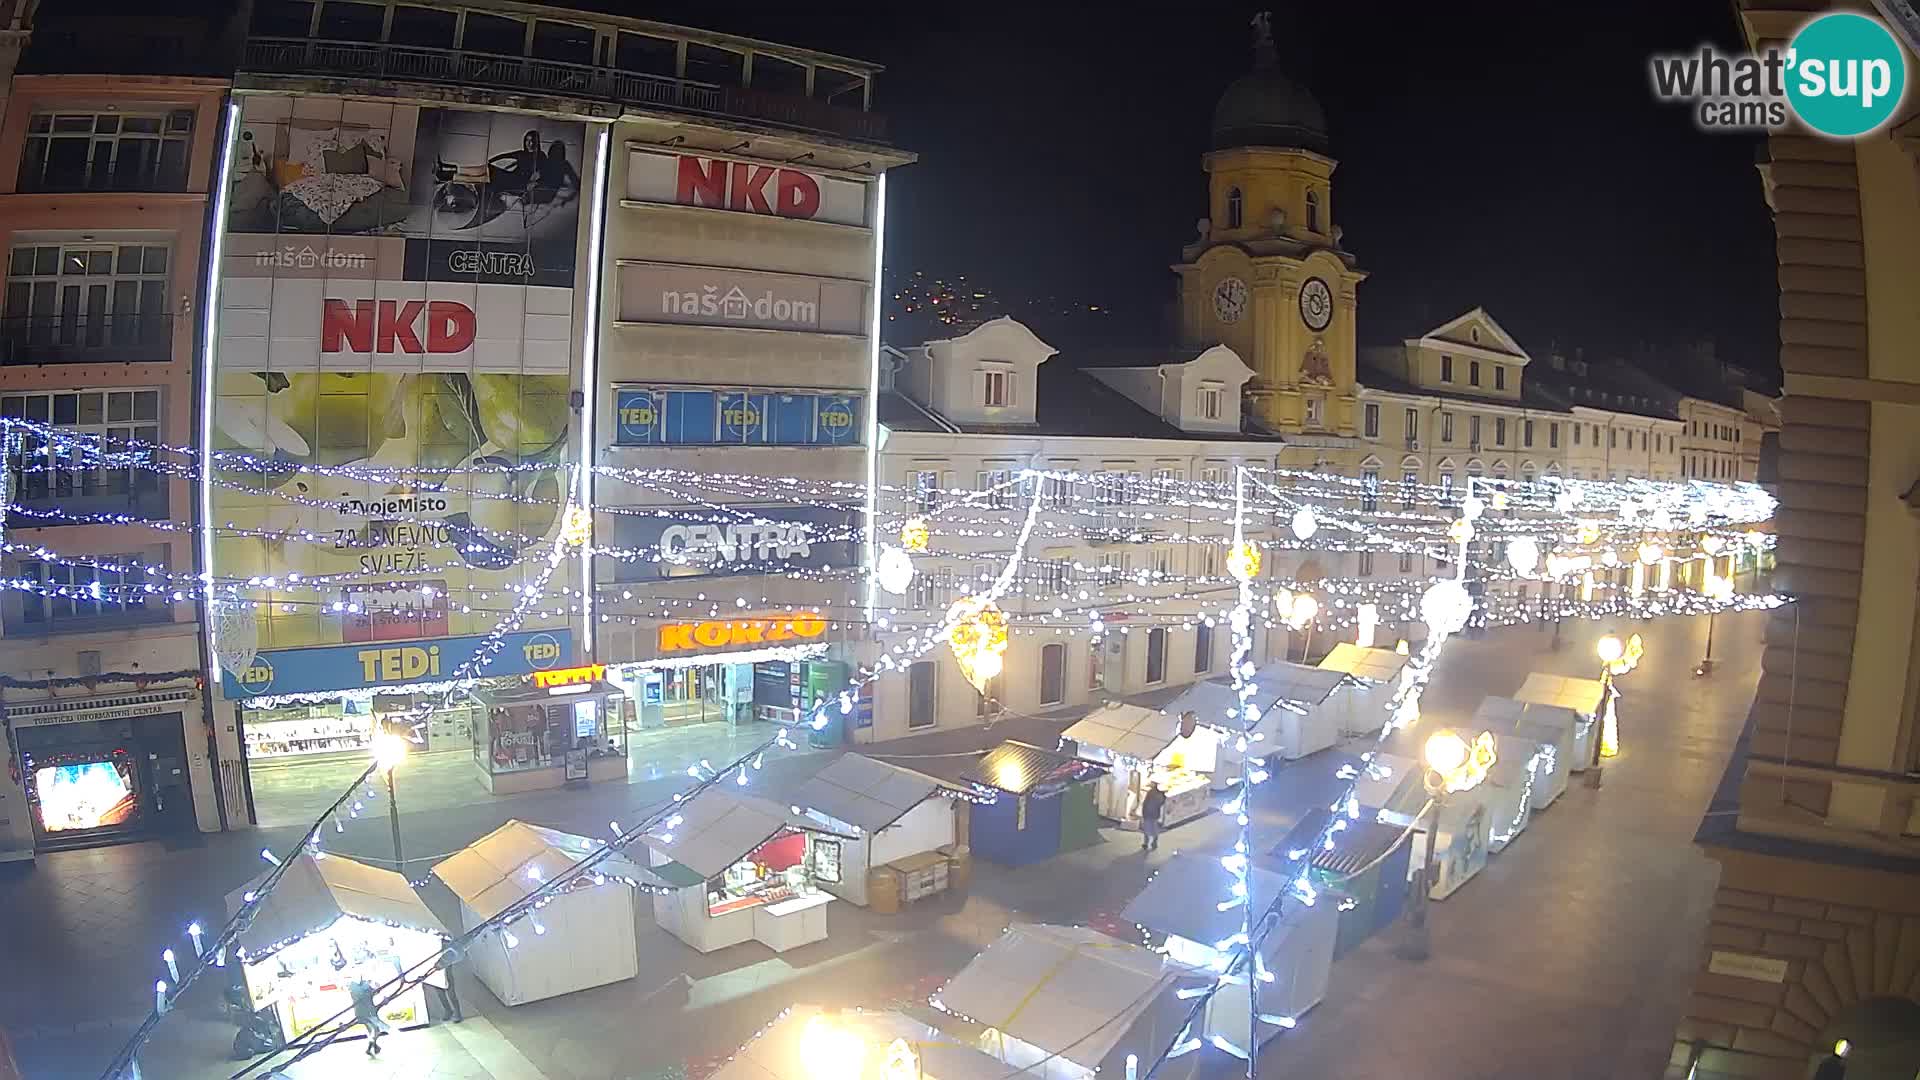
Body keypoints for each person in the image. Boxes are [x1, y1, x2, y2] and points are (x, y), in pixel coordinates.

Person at [346, 975, 391, 1056]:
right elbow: (367, 994)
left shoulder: (360, 986)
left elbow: (372, 993)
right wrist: (375, 989)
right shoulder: (356, 987)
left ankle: (372, 1047)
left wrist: (377, 988)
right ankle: (371, 1048)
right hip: (365, 1013)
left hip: (367, 1012)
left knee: (374, 1031)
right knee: (375, 1030)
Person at [1140, 782, 1167, 852]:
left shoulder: (1151, 792)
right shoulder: (1161, 795)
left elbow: (1145, 802)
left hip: (1147, 813)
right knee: (1154, 829)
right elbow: (1161, 803)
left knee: (1146, 829)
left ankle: (1146, 843)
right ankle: (1154, 843)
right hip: (1154, 814)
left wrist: (1143, 813)